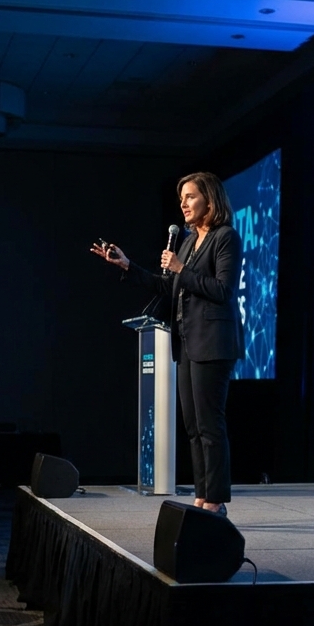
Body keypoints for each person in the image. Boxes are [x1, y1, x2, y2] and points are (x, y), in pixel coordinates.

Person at [92, 171, 243, 516]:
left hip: (213, 342)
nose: (184, 205)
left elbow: (223, 290)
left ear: (210, 199)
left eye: (190, 197)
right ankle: (203, 496)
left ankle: (216, 500)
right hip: (186, 341)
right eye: (181, 199)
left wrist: (179, 269)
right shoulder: (188, 242)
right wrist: (128, 266)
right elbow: (168, 287)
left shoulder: (225, 238)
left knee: (210, 424)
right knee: (192, 426)